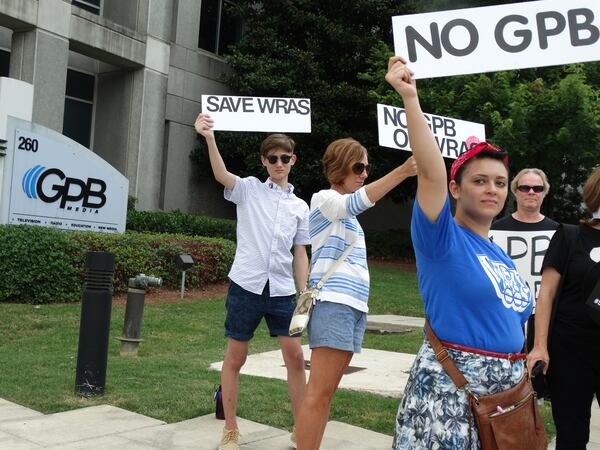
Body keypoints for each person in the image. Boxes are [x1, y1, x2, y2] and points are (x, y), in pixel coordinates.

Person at [386, 56, 533, 449]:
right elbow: (432, 170)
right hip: (450, 396)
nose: (492, 189)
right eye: (479, 180)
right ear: (456, 189)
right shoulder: (441, 238)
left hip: (503, 401)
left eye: (500, 183)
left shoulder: (497, 252)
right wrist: (410, 98)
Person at [195, 113, 309, 450]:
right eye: (272, 158)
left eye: (284, 158)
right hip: (246, 286)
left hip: (284, 294)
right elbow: (220, 174)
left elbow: (300, 252)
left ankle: (301, 429)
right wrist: (210, 138)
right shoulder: (248, 189)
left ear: (293, 161)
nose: (278, 163)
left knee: (294, 358)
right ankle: (230, 429)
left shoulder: (300, 206)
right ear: (264, 161)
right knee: (236, 358)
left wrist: (304, 293)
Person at [294, 138, 417, 450]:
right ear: (339, 166)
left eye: (366, 167)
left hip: (351, 306)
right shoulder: (324, 199)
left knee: (326, 393)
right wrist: (402, 171)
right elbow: (356, 202)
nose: (364, 173)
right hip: (334, 303)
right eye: (358, 166)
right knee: (319, 393)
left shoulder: (346, 214)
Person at [527, 166, 600, 450]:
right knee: (572, 436)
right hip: (570, 351)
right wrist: (540, 347)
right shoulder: (569, 236)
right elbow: (546, 294)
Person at [491, 168, 559, 349]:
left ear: (544, 193)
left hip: (545, 316)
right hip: (504, 315)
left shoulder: (558, 233)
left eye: (537, 188)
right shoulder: (495, 230)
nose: (531, 192)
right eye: (525, 188)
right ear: (515, 191)